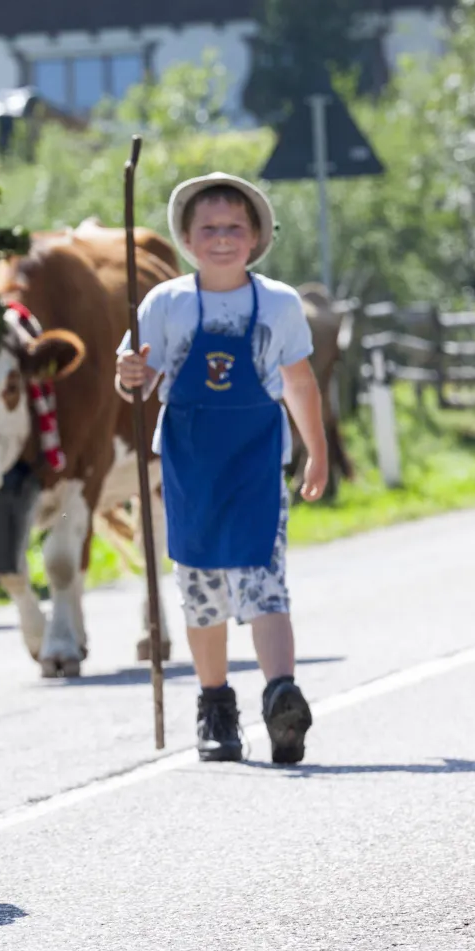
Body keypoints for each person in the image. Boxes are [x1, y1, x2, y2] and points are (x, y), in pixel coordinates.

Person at [114, 174, 329, 764]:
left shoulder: (280, 303)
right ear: (186, 237)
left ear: (257, 236)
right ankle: (216, 707)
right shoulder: (166, 304)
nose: (222, 238)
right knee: (201, 590)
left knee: (265, 584)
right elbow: (138, 383)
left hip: (258, 463)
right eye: (208, 228)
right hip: (189, 467)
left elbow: (300, 383)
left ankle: (282, 695)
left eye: (235, 227)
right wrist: (130, 376)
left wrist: (317, 449)